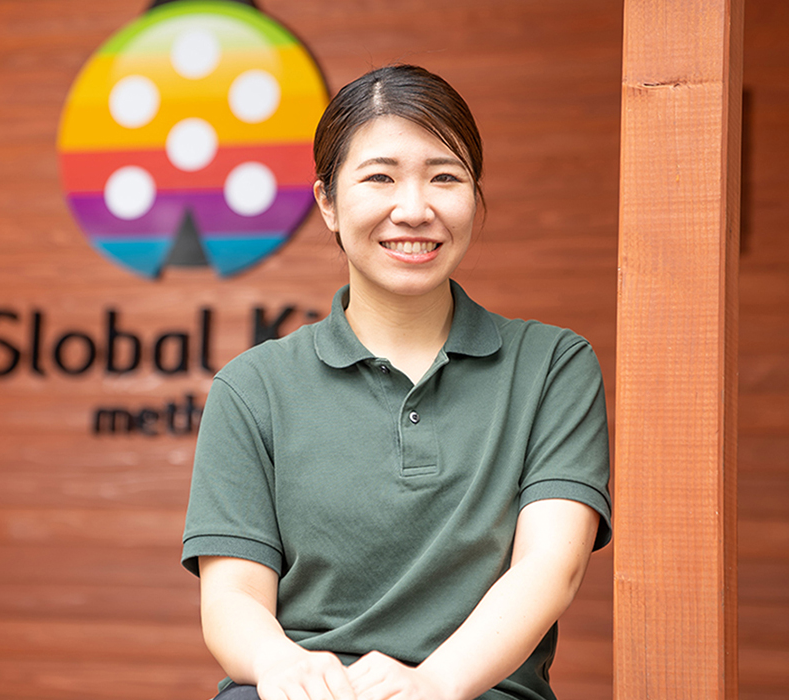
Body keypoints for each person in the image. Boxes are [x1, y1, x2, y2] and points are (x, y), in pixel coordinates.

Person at [182, 64, 611, 700]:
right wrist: (281, 665)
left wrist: (435, 683)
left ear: (475, 196)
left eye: (445, 177)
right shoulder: (253, 387)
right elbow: (232, 597)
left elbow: (552, 565)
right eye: (380, 177)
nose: (414, 210)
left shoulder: (552, 365)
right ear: (327, 202)